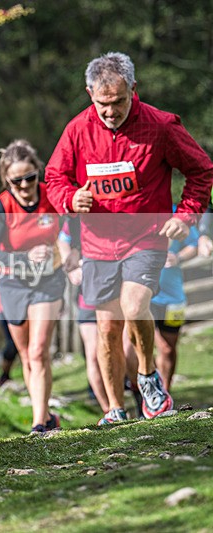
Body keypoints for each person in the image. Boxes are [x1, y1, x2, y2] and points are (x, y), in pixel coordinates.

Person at [46, 52, 213, 424]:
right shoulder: (76, 130)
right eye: (103, 103)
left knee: (135, 305)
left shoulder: (161, 125)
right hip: (98, 243)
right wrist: (71, 198)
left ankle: (148, 377)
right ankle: (115, 410)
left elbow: (202, 170)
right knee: (107, 328)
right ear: (89, 93)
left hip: (147, 237)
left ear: (133, 90)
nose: (110, 111)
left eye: (119, 102)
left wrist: (186, 216)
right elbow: (54, 178)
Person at [0, 139, 69, 433]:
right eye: (16, 180)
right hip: (14, 284)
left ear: (38, 172)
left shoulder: (52, 196)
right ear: (7, 180)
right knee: (26, 356)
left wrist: (73, 253)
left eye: (30, 177)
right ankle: (46, 416)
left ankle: (37, 425)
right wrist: (24, 257)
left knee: (38, 350)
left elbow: (75, 226)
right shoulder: (2, 206)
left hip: (49, 281)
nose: (24, 185)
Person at [124, 210, 199, 393]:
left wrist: (178, 257)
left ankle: (164, 396)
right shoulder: (132, 212)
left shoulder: (176, 212)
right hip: (142, 296)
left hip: (172, 297)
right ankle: (141, 392)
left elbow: (193, 245)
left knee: (167, 349)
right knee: (134, 349)